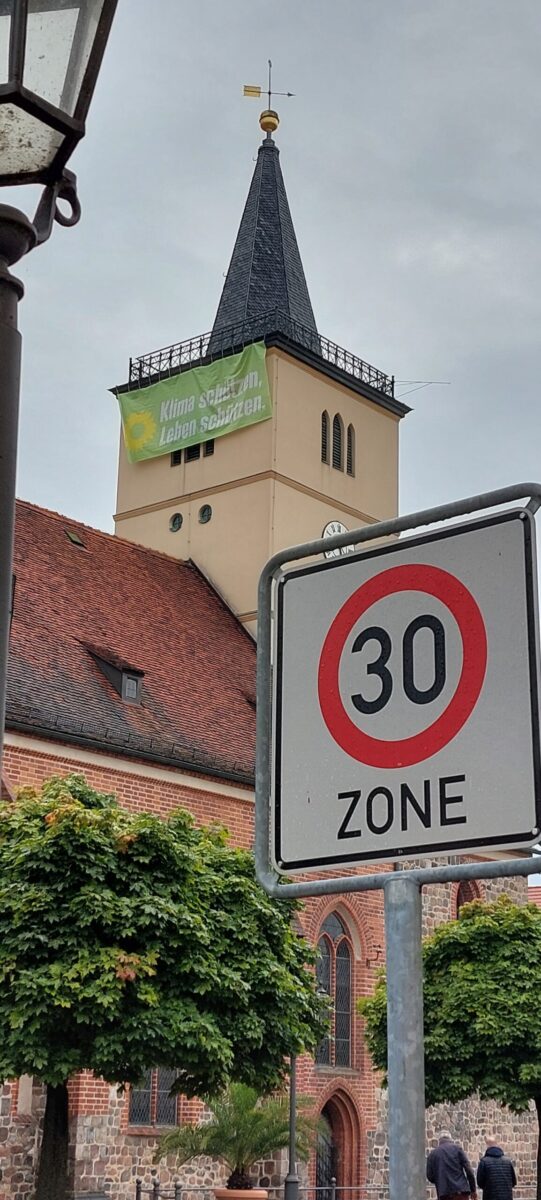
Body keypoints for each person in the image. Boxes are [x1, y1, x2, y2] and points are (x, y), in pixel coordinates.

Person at [427, 1130, 477, 1199]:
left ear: (439, 1140)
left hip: (444, 1194)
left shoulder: (432, 1155)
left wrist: (441, 1180)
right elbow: (469, 1170)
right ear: (450, 1139)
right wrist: (473, 1190)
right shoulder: (458, 1149)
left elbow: (430, 1176)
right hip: (461, 1192)